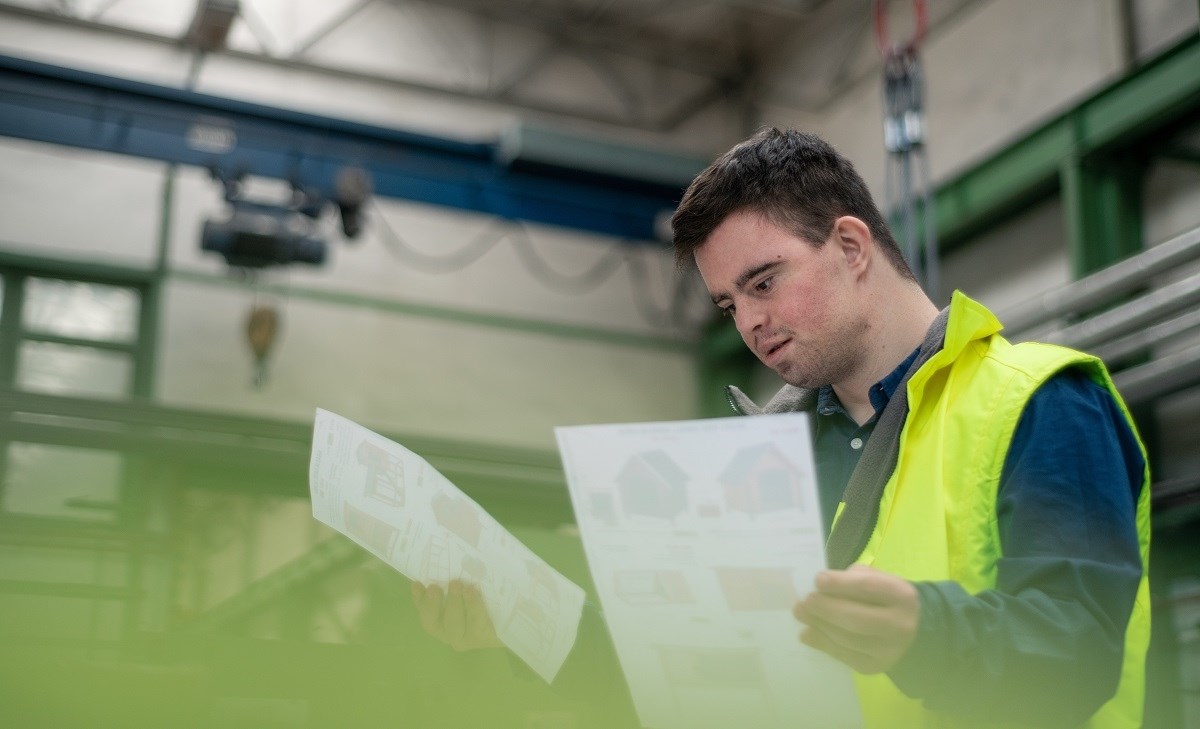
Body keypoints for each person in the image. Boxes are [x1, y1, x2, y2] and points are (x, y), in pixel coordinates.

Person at [415, 128, 1151, 729]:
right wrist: (524, 628)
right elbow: (697, 669)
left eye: (764, 281)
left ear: (853, 246)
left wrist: (925, 634)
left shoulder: (1041, 402)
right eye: (730, 305)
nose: (752, 323)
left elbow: (1077, 657)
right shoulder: (763, 455)